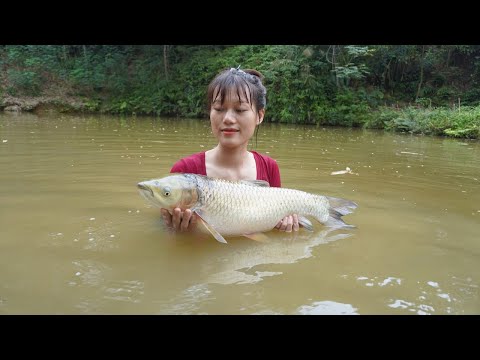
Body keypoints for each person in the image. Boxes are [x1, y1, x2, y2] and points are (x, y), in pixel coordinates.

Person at [160, 67, 300, 233]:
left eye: (240, 110)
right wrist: (176, 231)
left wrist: (286, 223)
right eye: (219, 109)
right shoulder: (184, 171)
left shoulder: (269, 167)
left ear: (260, 116)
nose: (228, 119)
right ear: (210, 112)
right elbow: (166, 233)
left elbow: (273, 223)